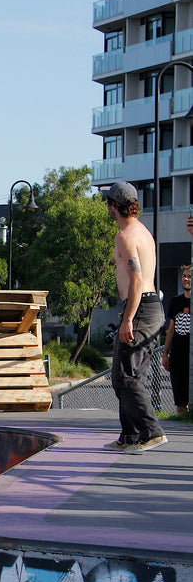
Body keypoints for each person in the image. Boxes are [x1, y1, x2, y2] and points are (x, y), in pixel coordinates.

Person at [101, 181, 167, 453]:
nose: (106, 207)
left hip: (140, 308)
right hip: (151, 308)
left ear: (114, 206)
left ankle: (152, 431)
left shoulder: (125, 235)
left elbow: (137, 279)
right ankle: (129, 435)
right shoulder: (143, 231)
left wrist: (127, 319)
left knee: (123, 378)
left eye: (107, 203)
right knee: (131, 376)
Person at [162, 265, 191, 415]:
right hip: (178, 355)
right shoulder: (175, 302)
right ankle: (182, 420)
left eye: (189, 276)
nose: (186, 279)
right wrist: (165, 353)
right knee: (180, 399)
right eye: (184, 276)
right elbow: (171, 329)